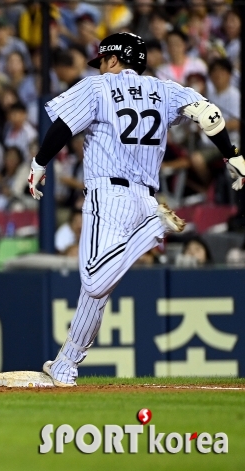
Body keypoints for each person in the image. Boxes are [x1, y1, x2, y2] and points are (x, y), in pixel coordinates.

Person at [28, 33, 245, 387]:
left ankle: (151, 231)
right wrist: (231, 154)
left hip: (108, 195)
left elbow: (62, 127)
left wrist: (39, 164)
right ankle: (66, 365)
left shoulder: (98, 86)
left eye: (101, 60)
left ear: (113, 60)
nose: (100, 66)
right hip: (145, 196)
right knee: (96, 292)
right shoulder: (166, 89)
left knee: (94, 280)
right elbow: (209, 114)